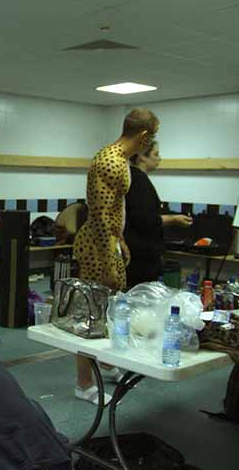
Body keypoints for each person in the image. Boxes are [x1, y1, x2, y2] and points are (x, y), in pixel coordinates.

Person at [72, 108, 160, 405]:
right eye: (153, 138)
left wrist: (121, 240)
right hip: (98, 247)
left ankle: (106, 364)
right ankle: (84, 383)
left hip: (109, 243)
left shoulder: (119, 160)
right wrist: (110, 258)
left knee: (108, 312)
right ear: (144, 136)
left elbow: (113, 211)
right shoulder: (111, 162)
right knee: (91, 315)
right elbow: (98, 215)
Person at [125, 141, 193, 288]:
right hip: (140, 257)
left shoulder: (132, 178)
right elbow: (144, 220)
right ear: (142, 157)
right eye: (156, 154)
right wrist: (174, 218)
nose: (159, 158)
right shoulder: (139, 182)